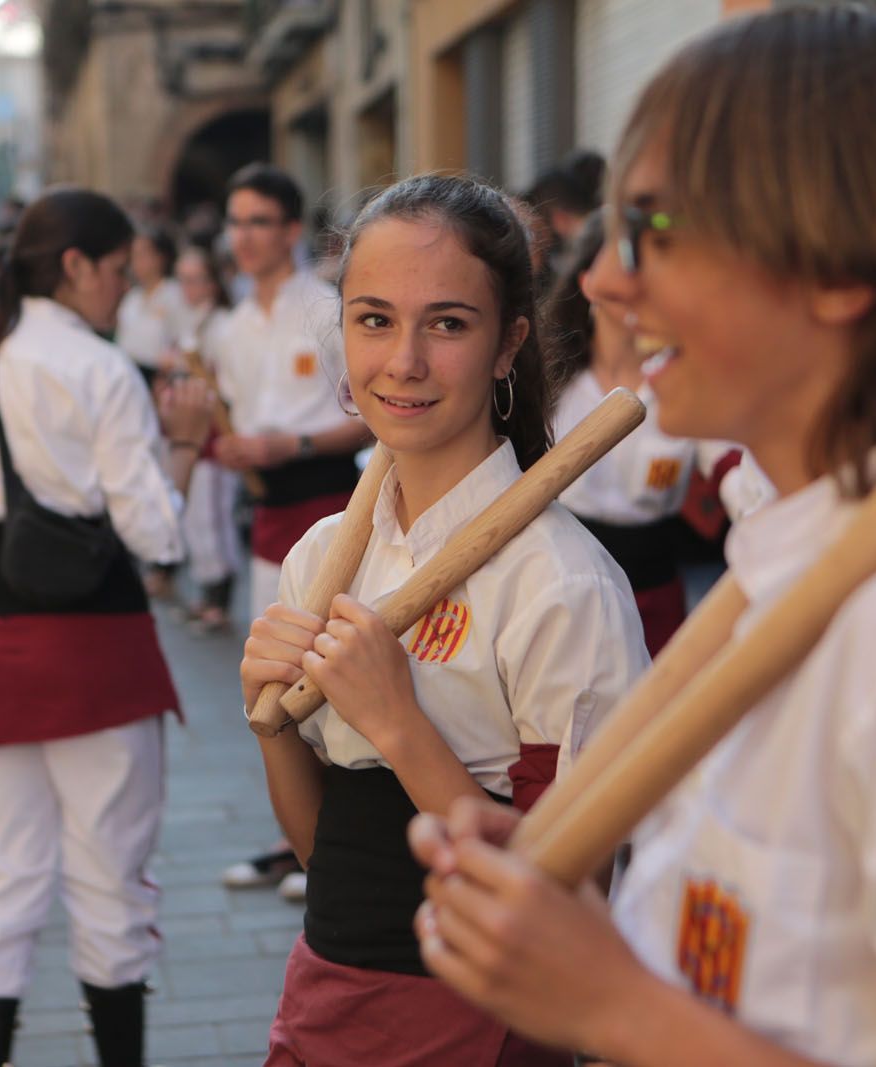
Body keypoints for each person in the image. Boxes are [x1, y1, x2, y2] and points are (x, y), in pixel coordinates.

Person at [410, 9, 876, 1064]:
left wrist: (616, 1004)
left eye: (656, 230)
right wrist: (569, 894)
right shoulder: (797, 547)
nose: (602, 281)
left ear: (841, 262)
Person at [239, 173, 648, 1066]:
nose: (404, 362)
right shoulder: (318, 558)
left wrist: (396, 721)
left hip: (481, 1017)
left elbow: (568, 901)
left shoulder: (561, 583)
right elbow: (326, 851)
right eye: (374, 319)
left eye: (449, 324)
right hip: (324, 990)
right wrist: (269, 718)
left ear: (509, 345)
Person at [0, 188, 212, 1067]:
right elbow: (155, 536)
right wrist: (183, 447)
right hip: (92, 647)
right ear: (76, 266)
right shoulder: (98, 368)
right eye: (118, 271)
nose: (125, 289)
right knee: (112, 885)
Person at [544, 211, 738, 655]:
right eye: (624, 263)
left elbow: (735, 469)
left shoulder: (682, 380)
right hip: (565, 584)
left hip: (656, 590)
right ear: (588, 279)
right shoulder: (552, 379)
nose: (634, 288)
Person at [206, 163, 373, 621]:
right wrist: (232, 448)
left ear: (291, 230)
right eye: (235, 223)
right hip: (266, 513)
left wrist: (296, 445)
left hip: (334, 507)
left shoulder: (328, 311)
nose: (244, 237)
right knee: (270, 667)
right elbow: (237, 416)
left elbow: (379, 417)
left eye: (259, 222)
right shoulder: (232, 328)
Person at [174, 242, 241, 632]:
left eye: (197, 280)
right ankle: (206, 590)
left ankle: (220, 597)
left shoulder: (223, 325)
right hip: (196, 425)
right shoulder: (194, 321)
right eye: (184, 281)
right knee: (197, 515)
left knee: (214, 514)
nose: (190, 289)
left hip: (217, 425)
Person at [116, 223, 189, 390]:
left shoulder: (176, 294)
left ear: (161, 256)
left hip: (165, 381)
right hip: (133, 377)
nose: (137, 262)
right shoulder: (130, 299)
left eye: (144, 254)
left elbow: (186, 342)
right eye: (134, 256)